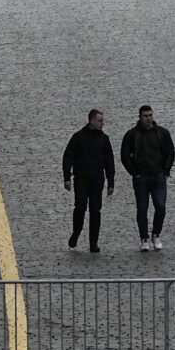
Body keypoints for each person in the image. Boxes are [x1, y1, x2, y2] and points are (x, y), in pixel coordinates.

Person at [120, 104, 175, 251]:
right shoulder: (132, 135)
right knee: (142, 209)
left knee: (160, 206)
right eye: (145, 116)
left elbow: (170, 152)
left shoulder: (162, 133)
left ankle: (156, 234)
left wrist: (165, 170)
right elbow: (125, 155)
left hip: (158, 176)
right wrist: (135, 172)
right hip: (142, 177)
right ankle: (144, 238)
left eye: (150, 115)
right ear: (140, 117)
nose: (148, 119)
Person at [62, 108, 115, 252]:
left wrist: (111, 182)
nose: (102, 123)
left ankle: (93, 242)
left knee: (95, 210)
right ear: (91, 120)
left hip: (97, 180)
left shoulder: (104, 139)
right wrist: (67, 177)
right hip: (81, 179)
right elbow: (68, 157)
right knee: (80, 207)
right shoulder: (78, 137)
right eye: (100, 120)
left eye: (102, 120)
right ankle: (76, 232)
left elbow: (109, 161)